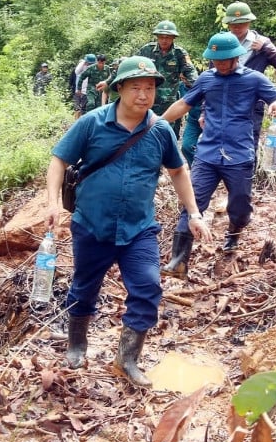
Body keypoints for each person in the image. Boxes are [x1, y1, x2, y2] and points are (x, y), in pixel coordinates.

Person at [47, 57, 209, 388]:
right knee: (84, 287)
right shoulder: (92, 124)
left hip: (139, 229)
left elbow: (178, 171)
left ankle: (127, 359)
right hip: (92, 224)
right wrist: (52, 204)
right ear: (119, 88)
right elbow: (59, 160)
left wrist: (193, 213)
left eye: (149, 88)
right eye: (136, 87)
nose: (143, 95)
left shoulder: (160, 130)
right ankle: (76, 345)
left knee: (148, 288)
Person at [160, 32, 276, 276]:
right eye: (215, 59)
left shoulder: (255, 79)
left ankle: (233, 236)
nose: (219, 64)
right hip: (207, 154)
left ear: (236, 57)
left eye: (224, 59)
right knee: (193, 203)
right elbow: (184, 104)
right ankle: (178, 261)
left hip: (239, 155)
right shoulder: (206, 79)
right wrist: (157, 122)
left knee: (240, 206)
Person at [222, 2, 276, 146]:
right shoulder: (222, 42)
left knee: (248, 147)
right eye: (233, 24)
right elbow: (211, 75)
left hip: (251, 105)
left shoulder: (262, 42)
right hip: (223, 103)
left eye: (242, 23)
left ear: (249, 22)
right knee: (222, 146)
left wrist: (267, 48)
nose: (237, 27)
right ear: (228, 24)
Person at [137, 20, 198, 137]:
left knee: (167, 134)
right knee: (144, 132)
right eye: (161, 37)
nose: (164, 40)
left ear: (173, 38)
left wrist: (200, 89)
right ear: (157, 37)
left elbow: (191, 73)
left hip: (169, 103)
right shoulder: (146, 50)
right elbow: (130, 66)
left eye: (168, 37)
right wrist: (109, 81)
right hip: (147, 99)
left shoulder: (179, 53)